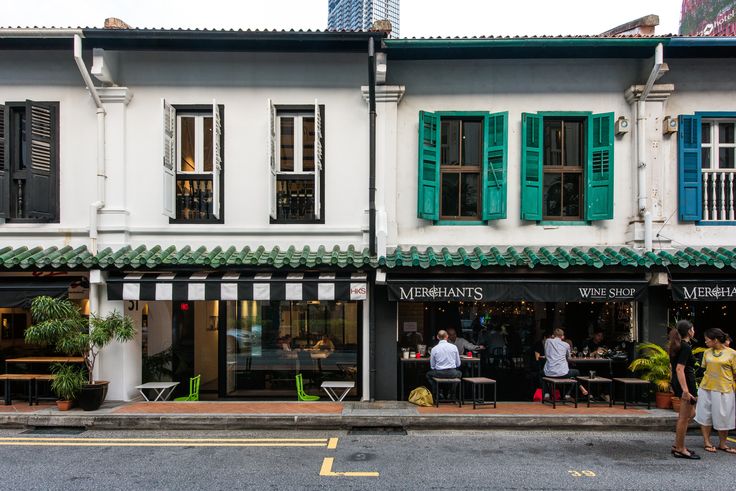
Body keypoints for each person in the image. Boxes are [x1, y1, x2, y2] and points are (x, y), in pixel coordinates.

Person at [694, 327, 736, 454]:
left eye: (707, 340)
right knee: (705, 415)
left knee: (724, 416)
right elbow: (705, 369)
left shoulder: (732, 353)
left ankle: (723, 444)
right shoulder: (707, 353)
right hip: (706, 388)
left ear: (715, 340)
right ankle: (707, 442)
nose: (705, 342)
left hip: (724, 389)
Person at [669, 320, 700, 459]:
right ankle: (680, 448)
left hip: (683, 383)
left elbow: (672, 367)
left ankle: (678, 444)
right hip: (686, 383)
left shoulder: (677, 345)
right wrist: (685, 390)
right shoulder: (685, 347)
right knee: (684, 417)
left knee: (690, 414)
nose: (694, 330)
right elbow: (679, 368)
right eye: (693, 328)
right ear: (689, 331)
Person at [543, 328, 588, 400]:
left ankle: (547, 393)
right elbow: (569, 358)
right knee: (576, 372)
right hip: (562, 373)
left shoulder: (547, 341)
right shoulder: (566, 344)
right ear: (562, 336)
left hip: (549, 373)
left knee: (541, 373)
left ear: (553, 335)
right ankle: (568, 394)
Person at [426, 330, 461, 395]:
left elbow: (432, 366)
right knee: (459, 373)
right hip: (452, 373)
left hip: (439, 373)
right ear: (447, 336)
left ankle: (437, 392)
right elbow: (458, 364)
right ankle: (452, 392)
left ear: (437, 337)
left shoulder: (434, 349)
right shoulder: (454, 347)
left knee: (428, 374)